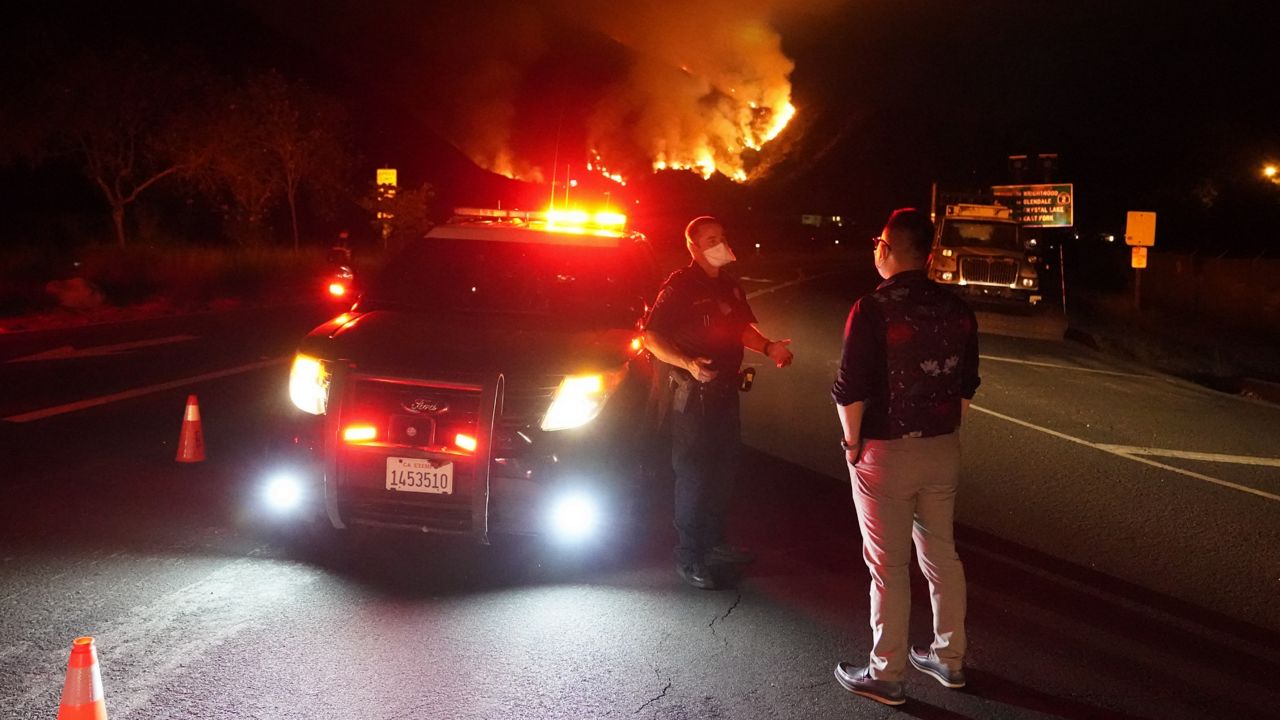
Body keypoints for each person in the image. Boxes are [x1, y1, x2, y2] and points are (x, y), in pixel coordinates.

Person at [831, 208, 980, 706]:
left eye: (879, 242)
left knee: (888, 566)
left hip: (886, 451)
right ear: (930, 254)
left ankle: (886, 673)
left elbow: (849, 389)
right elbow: (966, 387)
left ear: (888, 248)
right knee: (942, 554)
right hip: (942, 448)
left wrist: (852, 444)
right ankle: (949, 658)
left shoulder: (872, 308)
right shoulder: (957, 309)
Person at [644, 216, 794, 590]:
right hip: (694, 397)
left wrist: (769, 346)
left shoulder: (729, 285)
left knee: (723, 471)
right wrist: (688, 364)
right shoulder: (680, 285)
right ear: (693, 247)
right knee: (694, 474)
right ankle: (689, 555)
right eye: (711, 239)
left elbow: (741, 327)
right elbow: (650, 336)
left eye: (722, 237)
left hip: (726, 392)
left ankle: (714, 544)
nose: (719, 243)